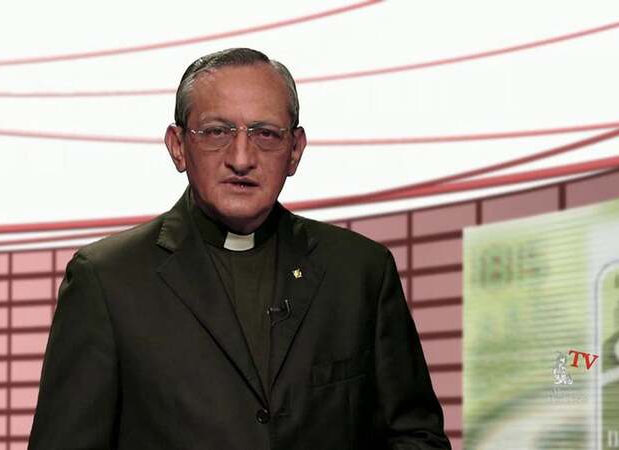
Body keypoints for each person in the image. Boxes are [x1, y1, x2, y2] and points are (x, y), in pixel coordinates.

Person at [28, 47, 451, 449]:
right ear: (178, 146)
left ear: (295, 151)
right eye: (217, 132)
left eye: (266, 134)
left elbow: (416, 437)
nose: (242, 157)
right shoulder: (107, 280)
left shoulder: (360, 273)